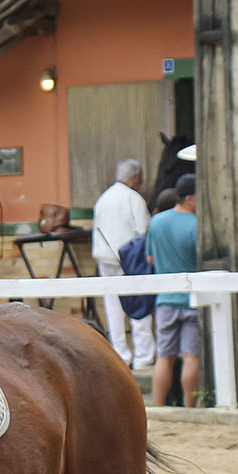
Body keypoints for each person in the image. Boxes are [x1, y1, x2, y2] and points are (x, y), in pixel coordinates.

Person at [92, 158, 155, 369]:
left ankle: (120, 354)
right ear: (134, 177)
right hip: (129, 258)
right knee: (138, 305)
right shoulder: (134, 198)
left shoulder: (103, 199)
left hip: (104, 257)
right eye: (141, 179)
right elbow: (144, 232)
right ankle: (144, 356)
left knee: (113, 308)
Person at [145, 174, 200, 408]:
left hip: (165, 299)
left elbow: (149, 258)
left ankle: (158, 407)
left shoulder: (156, 222)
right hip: (191, 300)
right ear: (190, 198)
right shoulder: (197, 225)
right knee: (191, 357)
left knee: (164, 358)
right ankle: (189, 408)